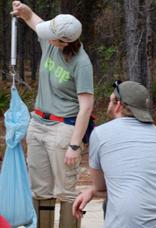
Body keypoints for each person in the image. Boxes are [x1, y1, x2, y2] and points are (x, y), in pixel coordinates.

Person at [12, 1, 94, 228]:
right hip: (38, 123)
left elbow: (86, 106)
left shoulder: (81, 63)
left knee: (66, 192)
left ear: (65, 41)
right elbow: (34, 22)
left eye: (52, 37)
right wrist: (25, 11)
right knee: (39, 190)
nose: (47, 38)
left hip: (63, 129)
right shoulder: (50, 41)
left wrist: (75, 145)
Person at [73, 80, 156, 228]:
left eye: (110, 100)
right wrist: (92, 191)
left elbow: (101, 187)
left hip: (127, 223)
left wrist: (92, 191)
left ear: (118, 104)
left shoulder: (100, 134)